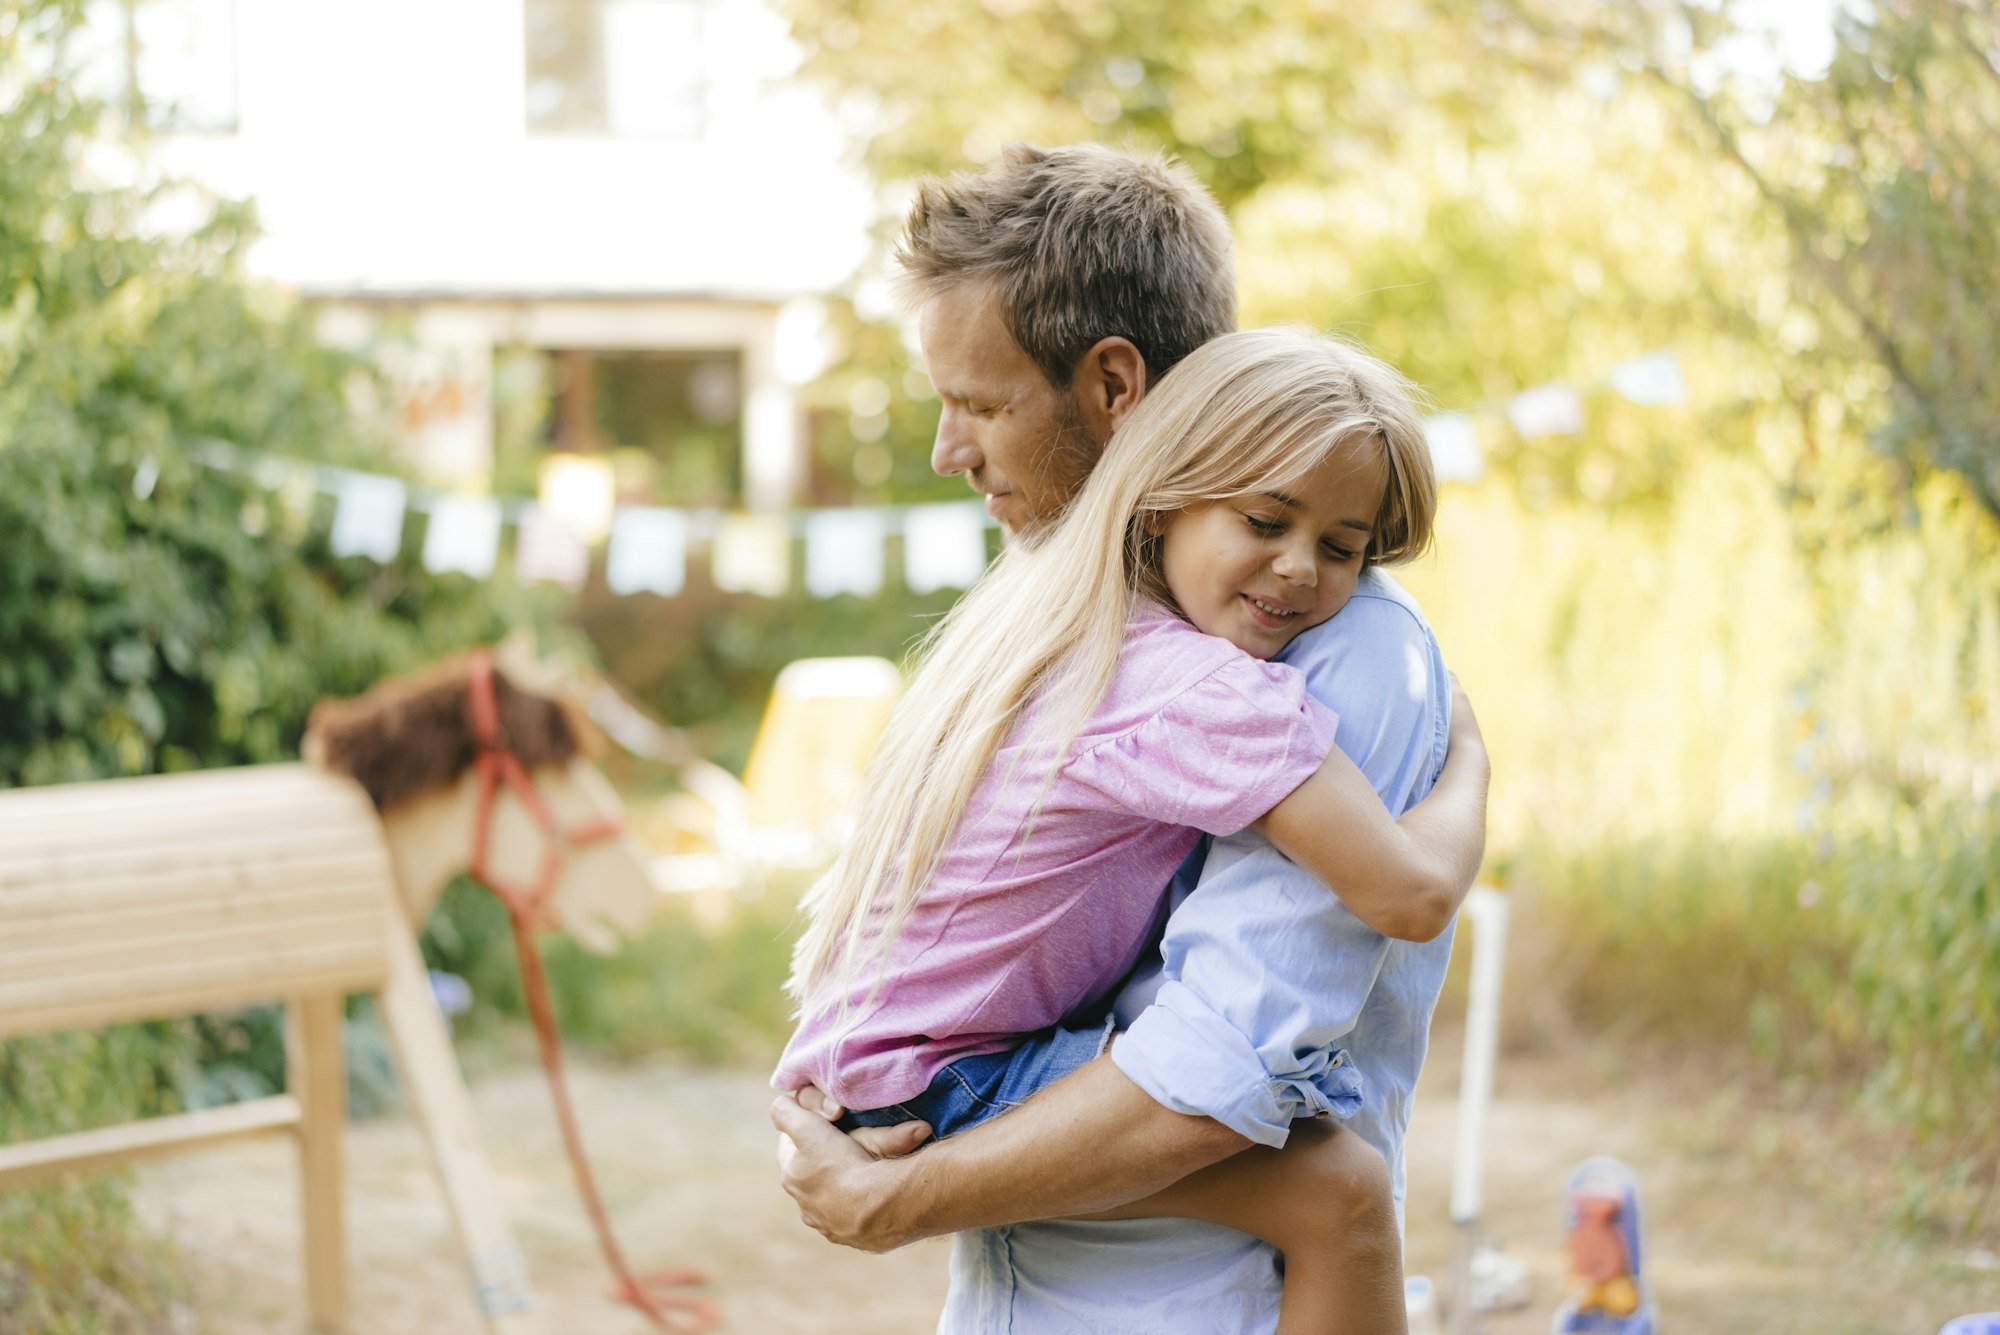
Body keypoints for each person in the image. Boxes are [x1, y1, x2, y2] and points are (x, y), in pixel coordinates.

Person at [772, 142, 1483, 1333]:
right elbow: (1412, 887)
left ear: (1112, 387)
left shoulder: (1293, 648)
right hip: (967, 1145)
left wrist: (896, 1192)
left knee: (1341, 1198)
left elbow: (1213, 1069)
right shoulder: (1111, 634)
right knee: (1343, 1201)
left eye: (979, 404)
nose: (949, 452)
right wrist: (1477, 765)